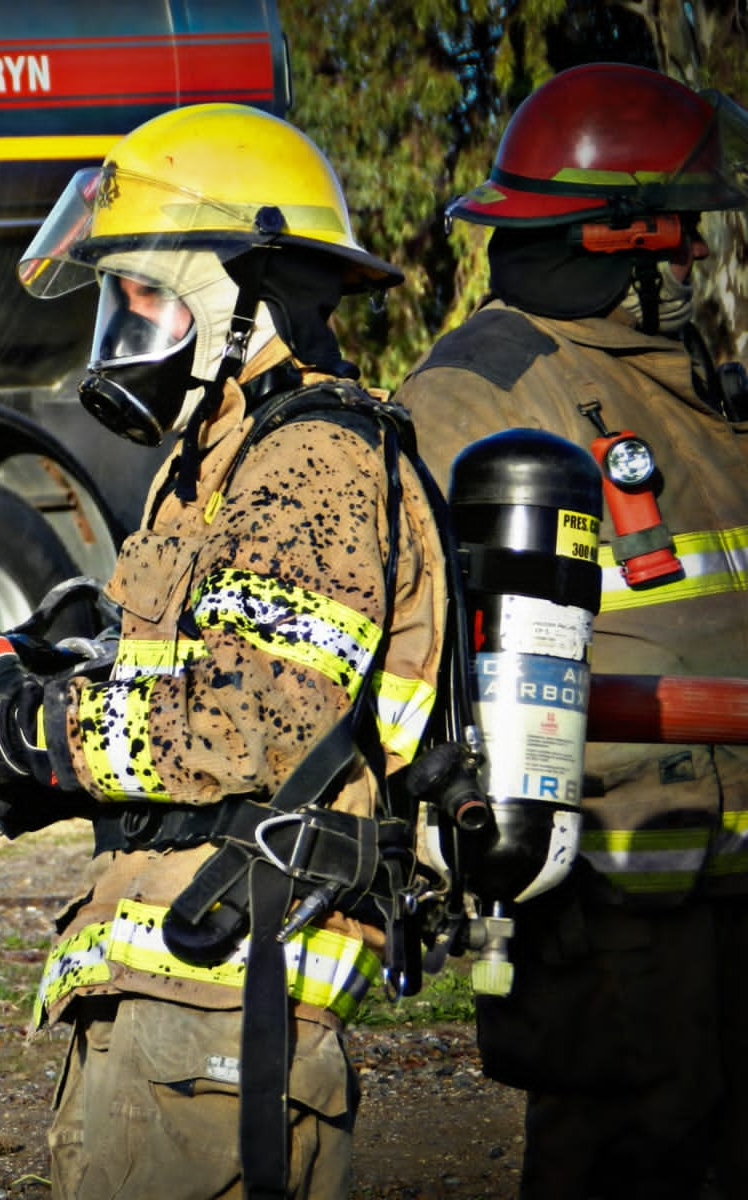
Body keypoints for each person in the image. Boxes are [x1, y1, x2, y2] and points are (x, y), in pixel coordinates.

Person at [0, 103, 450, 1199]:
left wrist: (42, 734)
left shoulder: (313, 460)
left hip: (235, 994)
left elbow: (254, 724)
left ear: (244, 299)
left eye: (146, 296)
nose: (121, 330)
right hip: (172, 988)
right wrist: (25, 741)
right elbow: (162, 699)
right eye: (115, 299)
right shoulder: (212, 461)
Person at [394, 63, 748, 1199]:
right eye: (680, 233)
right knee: (623, 1160)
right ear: (616, 239)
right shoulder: (477, 395)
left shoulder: (694, 389)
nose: (695, 258)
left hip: (727, 876)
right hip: (612, 899)